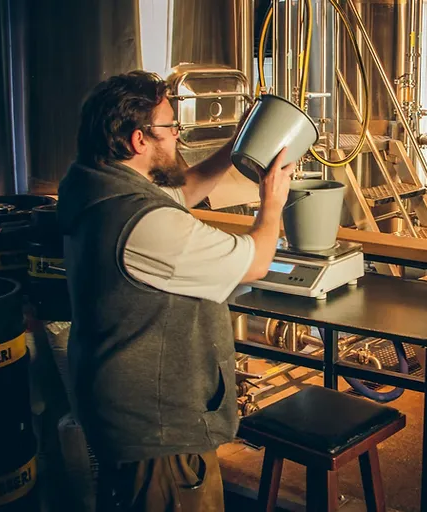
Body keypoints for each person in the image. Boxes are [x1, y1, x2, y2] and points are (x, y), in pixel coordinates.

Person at [58, 70, 295, 511]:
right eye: (170, 127)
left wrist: (239, 145)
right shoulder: (145, 224)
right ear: (138, 140)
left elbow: (182, 191)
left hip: (120, 411)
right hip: (159, 434)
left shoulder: (94, 183)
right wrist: (273, 201)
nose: (178, 137)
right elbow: (258, 260)